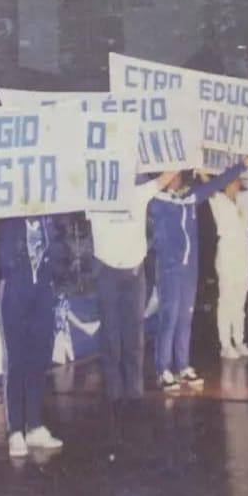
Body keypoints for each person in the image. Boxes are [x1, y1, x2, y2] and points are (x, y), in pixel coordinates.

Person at [148, 159, 248, 391]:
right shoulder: (157, 200)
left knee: (185, 318)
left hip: (189, 270)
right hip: (169, 269)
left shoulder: (190, 198)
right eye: (170, 173)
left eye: (177, 173)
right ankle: (163, 369)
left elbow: (218, 183)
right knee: (169, 318)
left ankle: (183, 365)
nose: (175, 176)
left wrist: (242, 165)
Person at [88, 172, 178, 424]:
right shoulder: (95, 197)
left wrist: (188, 156)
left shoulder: (137, 193)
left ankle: (135, 393)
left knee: (134, 335)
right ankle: (114, 394)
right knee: (111, 335)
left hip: (134, 274)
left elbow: (164, 179)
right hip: (107, 272)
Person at [0, 215, 67, 456]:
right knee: (16, 360)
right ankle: (15, 430)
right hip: (16, 290)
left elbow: (58, 253)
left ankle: (34, 425)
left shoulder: (49, 221)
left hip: (43, 291)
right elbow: (3, 254)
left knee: (40, 358)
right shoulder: (9, 222)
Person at [209, 174, 248, 358]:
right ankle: (225, 344)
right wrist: (201, 171)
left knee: (240, 301)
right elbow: (208, 185)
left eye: (238, 181)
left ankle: (239, 340)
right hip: (227, 252)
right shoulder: (218, 199)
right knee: (226, 299)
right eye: (234, 181)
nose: (237, 184)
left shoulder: (244, 198)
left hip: (244, 253)